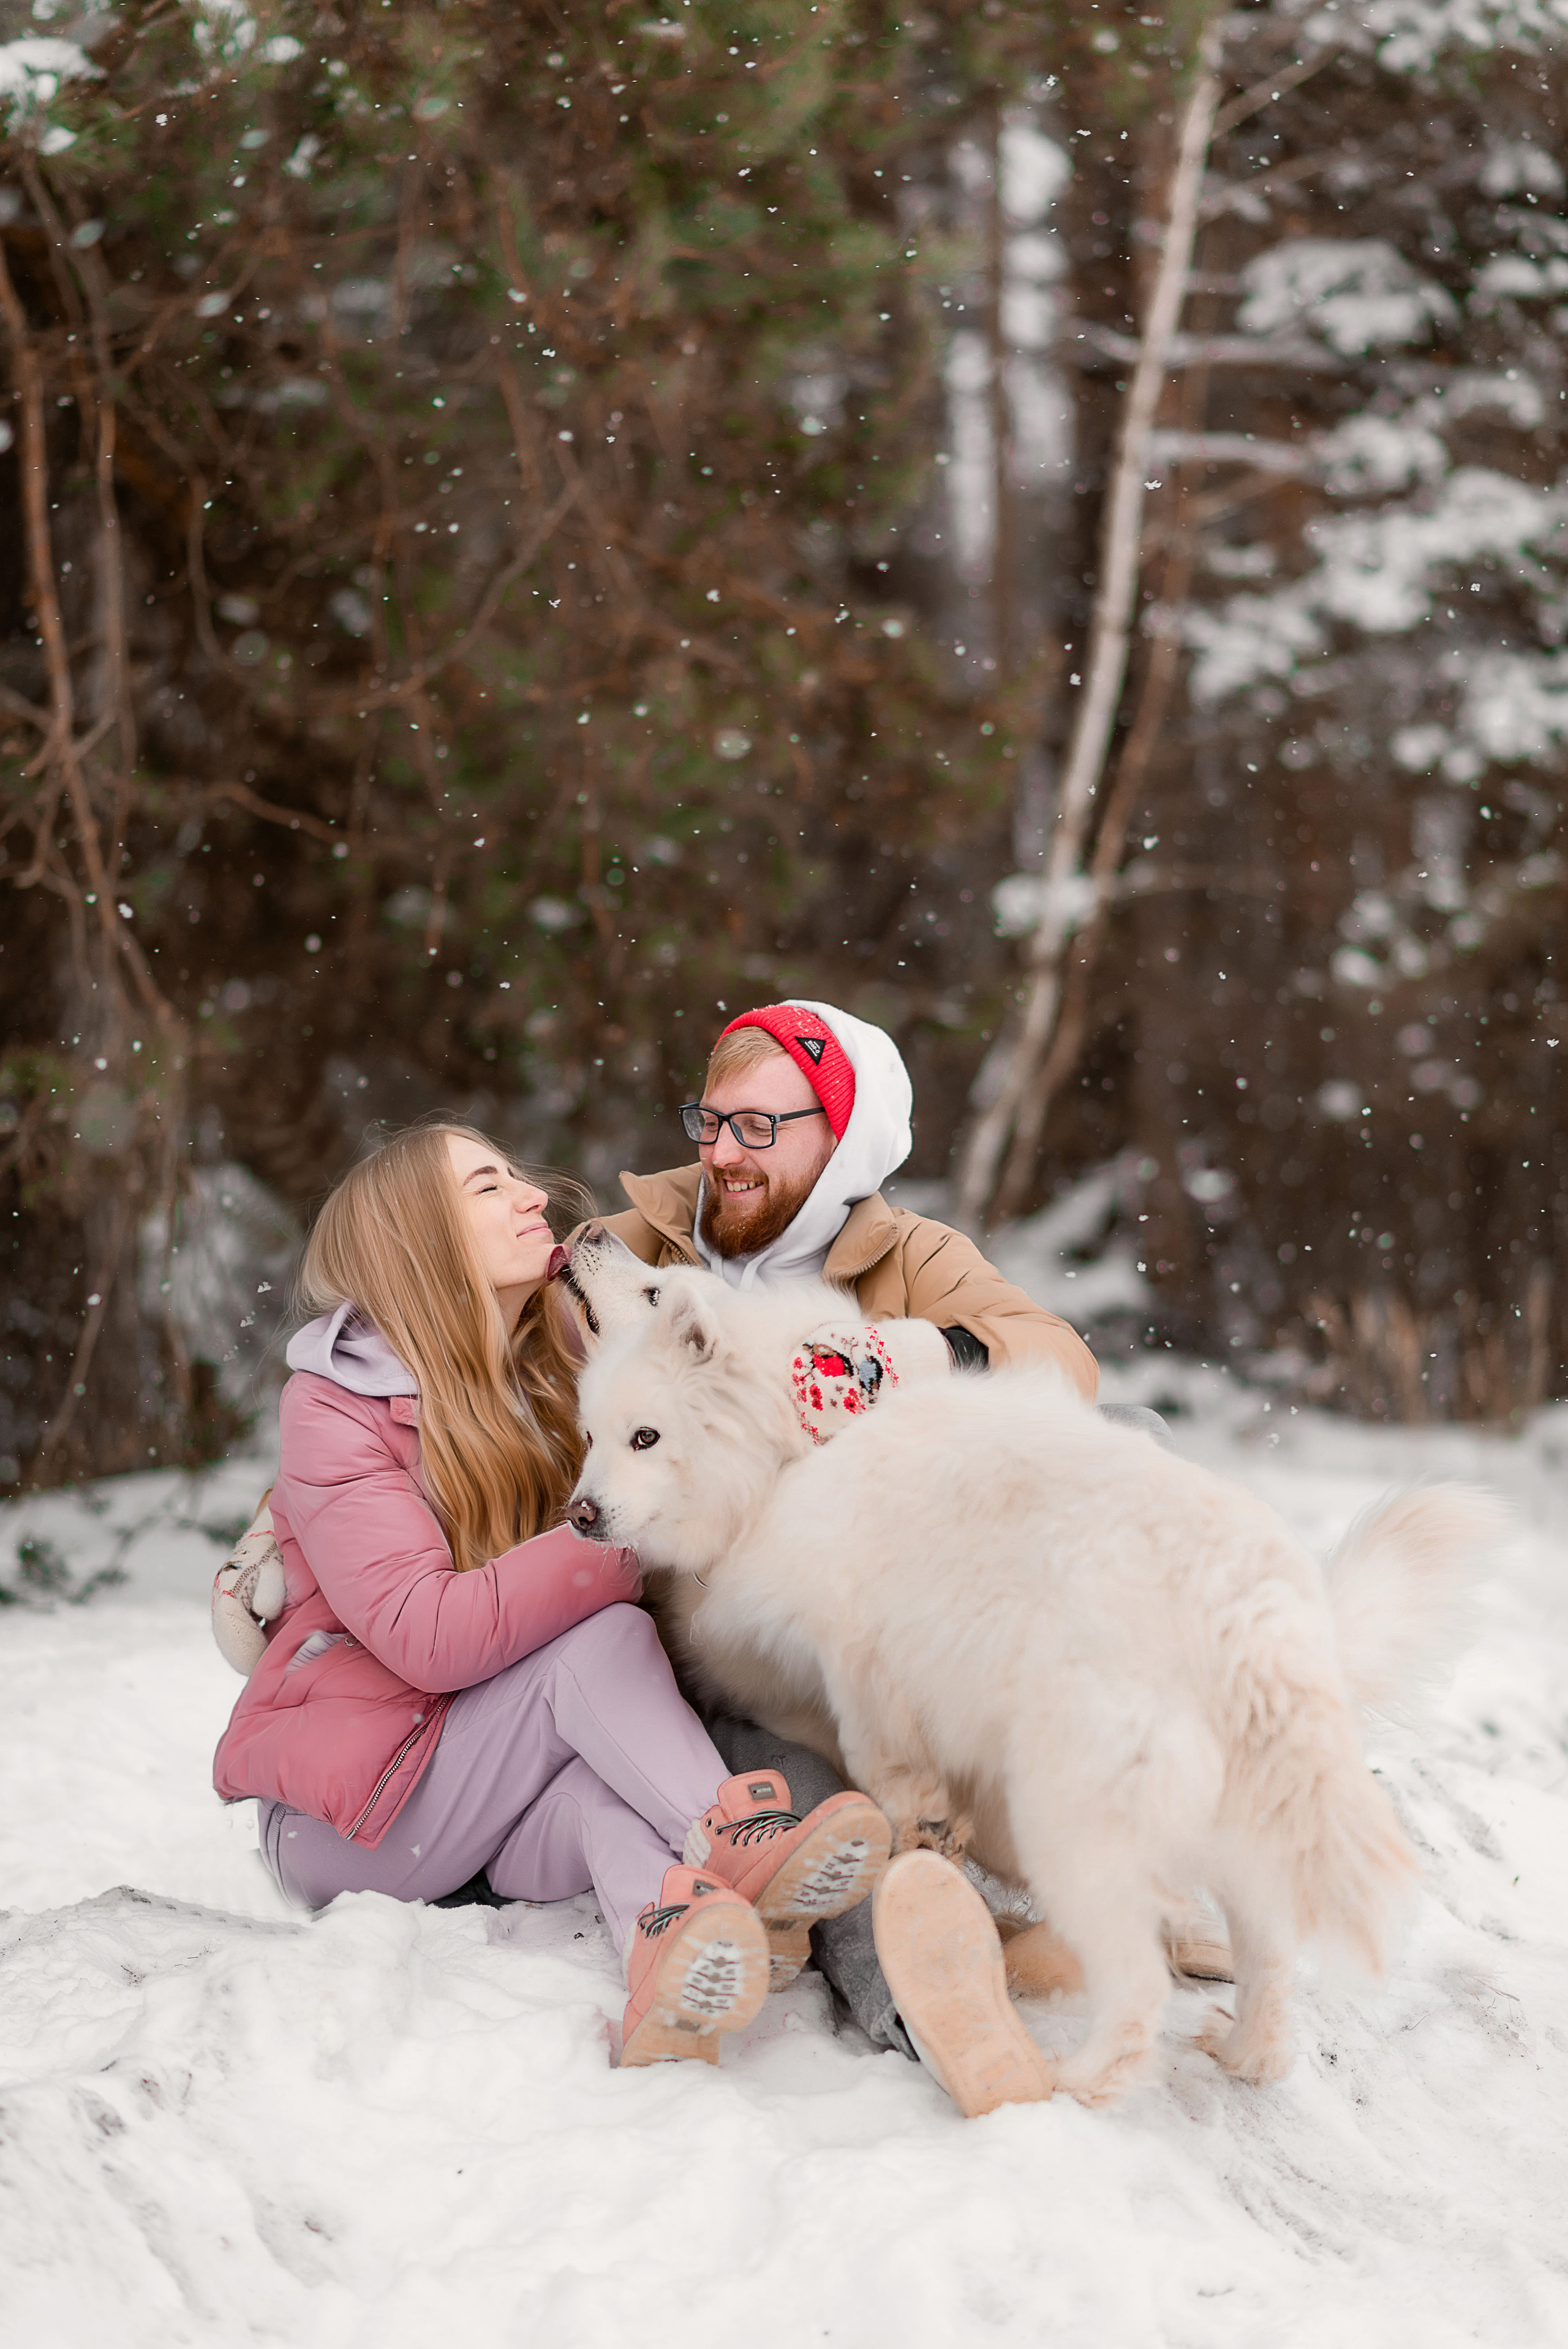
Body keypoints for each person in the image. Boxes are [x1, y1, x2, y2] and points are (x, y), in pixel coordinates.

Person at [598, 999, 1192, 2110]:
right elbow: (475, 1357)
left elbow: (1055, 1359)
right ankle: (929, 2007)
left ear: (841, 1140)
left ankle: (1138, 1852)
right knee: (813, 1809)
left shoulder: (908, 1256)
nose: (720, 1152)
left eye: (759, 1128)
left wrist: (904, 1356)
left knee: (1122, 1465)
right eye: (709, 1120)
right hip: (734, 1648)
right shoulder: (640, 1251)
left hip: (893, 1607)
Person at [211, 1119, 892, 2070]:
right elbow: (426, 1636)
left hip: (492, 1789)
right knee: (604, 1638)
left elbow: (702, 1358)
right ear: (423, 1240)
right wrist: (631, 1544)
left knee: (600, 1795)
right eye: (488, 1187)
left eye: (515, 1174)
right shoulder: (333, 1405)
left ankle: (669, 1947)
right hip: (357, 1816)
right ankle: (731, 1835)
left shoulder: (551, 1359)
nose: (532, 1193)